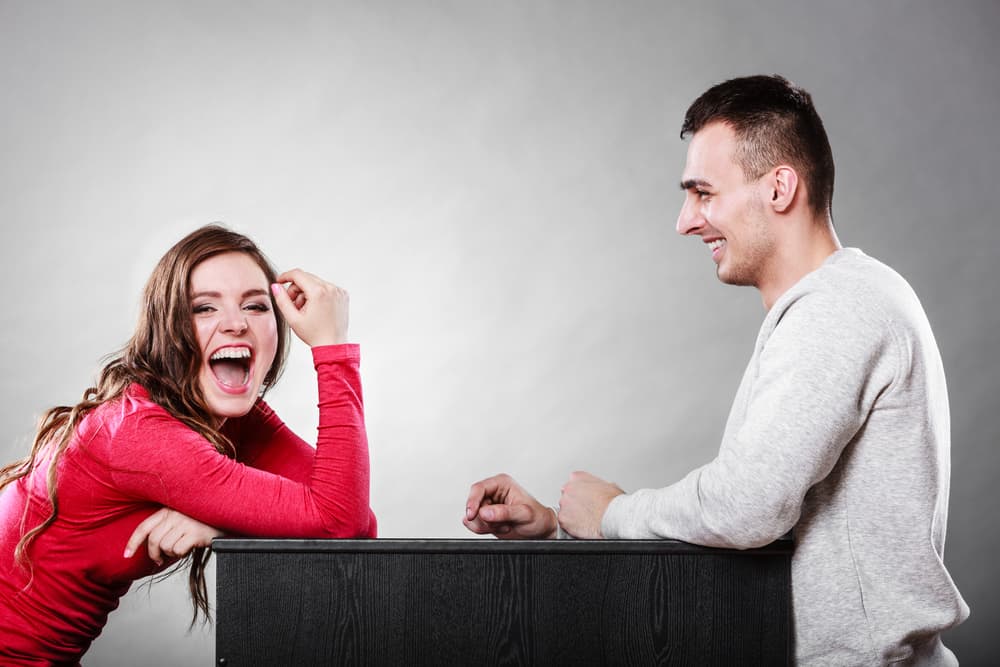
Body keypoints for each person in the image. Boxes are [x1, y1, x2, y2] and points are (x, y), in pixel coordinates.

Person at [463, 75, 969, 665]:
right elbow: (755, 542)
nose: (685, 221)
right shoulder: (837, 303)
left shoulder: (837, 309)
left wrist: (613, 516)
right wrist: (561, 528)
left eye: (704, 193)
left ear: (779, 187)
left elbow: (746, 508)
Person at [0, 224, 376, 664]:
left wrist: (227, 523)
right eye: (204, 308)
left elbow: (356, 524)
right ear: (167, 329)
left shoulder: (232, 420)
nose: (236, 324)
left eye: (256, 306)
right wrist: (332, 349)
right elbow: (340, 522)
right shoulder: (140, 432)